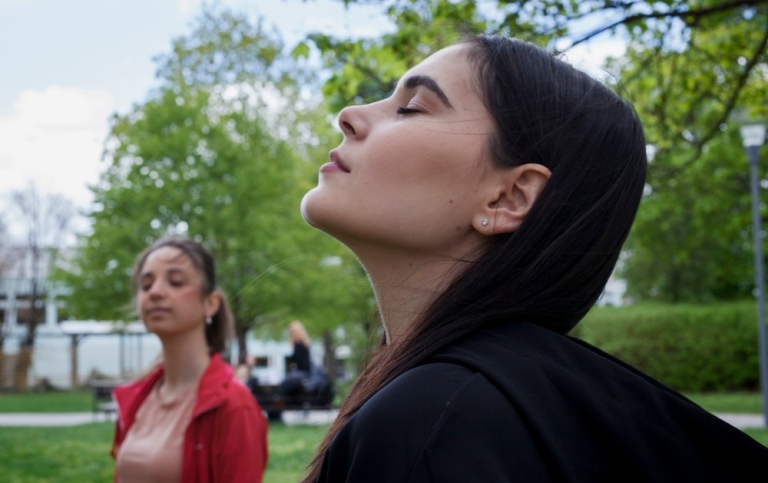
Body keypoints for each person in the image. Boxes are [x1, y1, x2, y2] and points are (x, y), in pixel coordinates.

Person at [298, 34, 768, 482]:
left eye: (412, 107)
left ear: (510, 198)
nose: (350, 114)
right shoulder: (513, 410)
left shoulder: (432, 423)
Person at [110, 236, 268, 482]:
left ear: (210, 303)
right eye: (146, 284)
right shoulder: (135, 399)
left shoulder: (234, 406)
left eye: (175, 282)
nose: (156, 292)